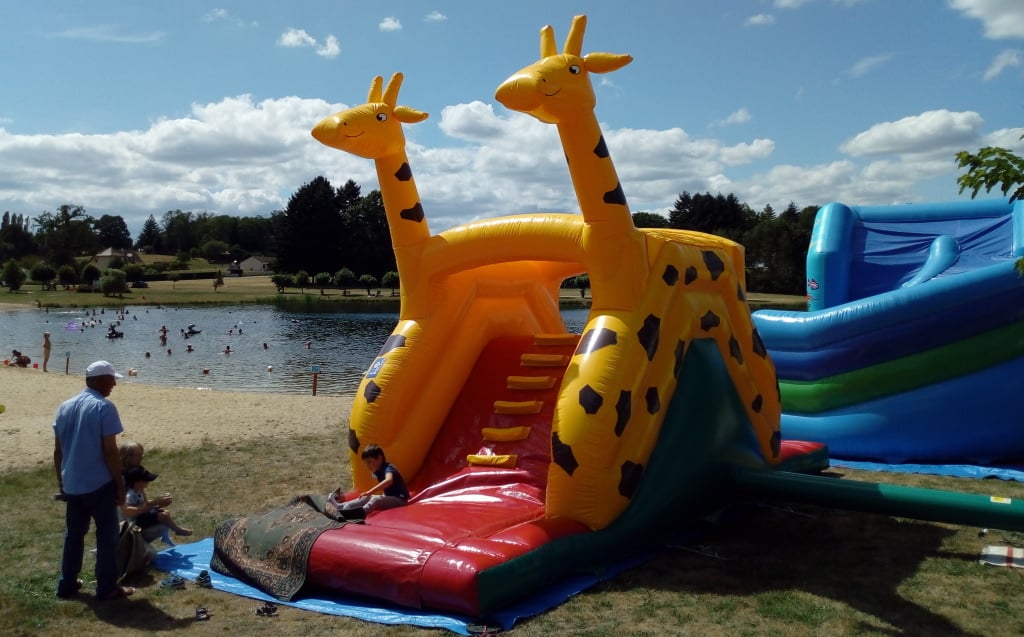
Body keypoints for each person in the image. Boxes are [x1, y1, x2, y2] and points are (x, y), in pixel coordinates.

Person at [53, 360, 135, 600]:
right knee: (107, 536)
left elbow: (58, 451)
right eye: (111, 379)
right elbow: (110, 450)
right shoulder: (104, 407)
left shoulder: (65, 406)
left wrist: (62, 483)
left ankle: (67, 583)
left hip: (73, 483)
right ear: (99, 380)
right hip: (98, 483)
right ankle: (107, 586)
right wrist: (119, 485)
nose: (114, 384)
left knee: (74, 535)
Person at [334, 444, 409, 519]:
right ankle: (342, 506)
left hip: (400, 500)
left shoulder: (388, 468)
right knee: (368, 497)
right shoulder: (378, 471)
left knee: (376, 499)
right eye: (366, 463)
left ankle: (360, 513)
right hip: (390, 497)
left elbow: (389, 481)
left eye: (369, 462)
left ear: (379, 458)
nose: (367, 466)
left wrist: (371, 491)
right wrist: (370, 494)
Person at [121, 465, 193, 540]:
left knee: (166, 513)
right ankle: (178, 530)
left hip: (143, 516)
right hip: (136, 521)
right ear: (137, 482)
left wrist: (160, 503)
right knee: (163, 516)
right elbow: (129, 510)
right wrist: (154, 503)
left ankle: (170, 533)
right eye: (146, 480)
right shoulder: (130, 495)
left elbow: (146, 504)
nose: (148, 482)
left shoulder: (140, 490)